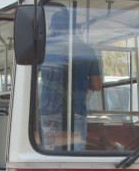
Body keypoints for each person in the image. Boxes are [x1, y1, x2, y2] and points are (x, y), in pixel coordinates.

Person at [39, 8, 102, 150]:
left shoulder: (43, 49)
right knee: (77, 158)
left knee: (49, 155)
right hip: (77, 111)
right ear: (74, 28)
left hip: (49, 112)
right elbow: (97, 85)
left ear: (53, 27)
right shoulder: (87, 50)